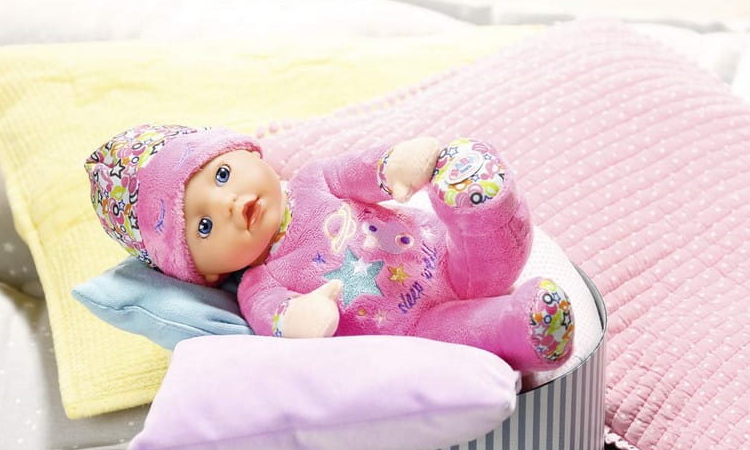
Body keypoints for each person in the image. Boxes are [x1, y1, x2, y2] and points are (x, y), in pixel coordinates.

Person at [85, 123, 574, 371]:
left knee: (479, 230)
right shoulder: (259, 284)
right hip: (417, 330)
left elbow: (368, 169)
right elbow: (279, 320)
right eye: (205, 225)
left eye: (223, 174)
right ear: (206, 273)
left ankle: (480, 197)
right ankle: (527, 327)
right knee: (464, 342)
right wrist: (304, 319)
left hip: (448, 254)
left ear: (247, 152)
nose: (229, 202)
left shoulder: (314, 180)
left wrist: (399, 164)